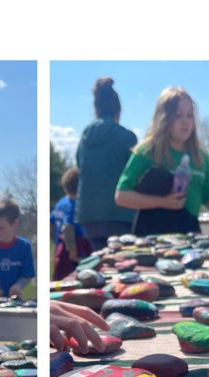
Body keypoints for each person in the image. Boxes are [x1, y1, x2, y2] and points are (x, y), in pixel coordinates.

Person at [115, 86, 209, 237]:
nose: (185, 122)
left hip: (190, 235)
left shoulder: (200, 156)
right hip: (152, 237)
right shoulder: (147, 152)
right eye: (178, 115)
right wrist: (163, 202)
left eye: (190, 116)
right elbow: (121, 196)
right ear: (163, 118)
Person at [74, 76, 138, 250]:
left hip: (88, 217)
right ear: (118, 112)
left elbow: (79, 167)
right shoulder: (127, 137)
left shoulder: (84, 139)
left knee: (100, 264)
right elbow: (138, 174)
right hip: (119, 215)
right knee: (122, 265)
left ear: (96, 109)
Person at [51, 167, 88, 279]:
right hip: (72, 251)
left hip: (61, 249)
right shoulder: (73, 205)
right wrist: (72, 249)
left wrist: (56, 241)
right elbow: (67, 227)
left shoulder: (61, 203)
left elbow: (51, 223)